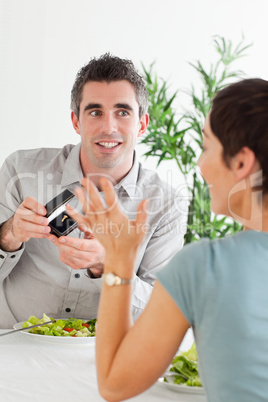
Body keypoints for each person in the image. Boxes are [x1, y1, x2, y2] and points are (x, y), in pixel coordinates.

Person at [68, 78, 268, 402]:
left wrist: (119, 258)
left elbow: (115, 384)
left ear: (241, 162)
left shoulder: (205, 266)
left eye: (206, 148)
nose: (200, 167)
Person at [0, 54, 187, 329]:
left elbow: (160, 313)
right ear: (76, 121)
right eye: (95, 112)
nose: (108, 127)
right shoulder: (20, 171)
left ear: (142, 124)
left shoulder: (166, 205)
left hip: (96, 363)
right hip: (12, 350)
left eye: (122, 112)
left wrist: (108, 267)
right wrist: (9, 236)